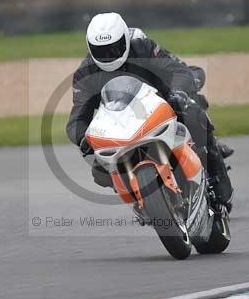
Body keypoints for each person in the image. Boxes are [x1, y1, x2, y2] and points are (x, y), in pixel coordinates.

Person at [65, 12, 234, 211]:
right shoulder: (85, 73)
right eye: (101, 50)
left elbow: (178, 70)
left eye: (113, 48)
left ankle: (216, 174)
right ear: (89, 47)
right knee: (99, 171)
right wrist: (84, 139)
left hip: (162, 106)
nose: (108, 55)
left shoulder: (141, 47)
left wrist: (178, 93)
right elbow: (76, 119)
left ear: (125, 40)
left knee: (193, 114)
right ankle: (141, 200)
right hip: (123, 125)